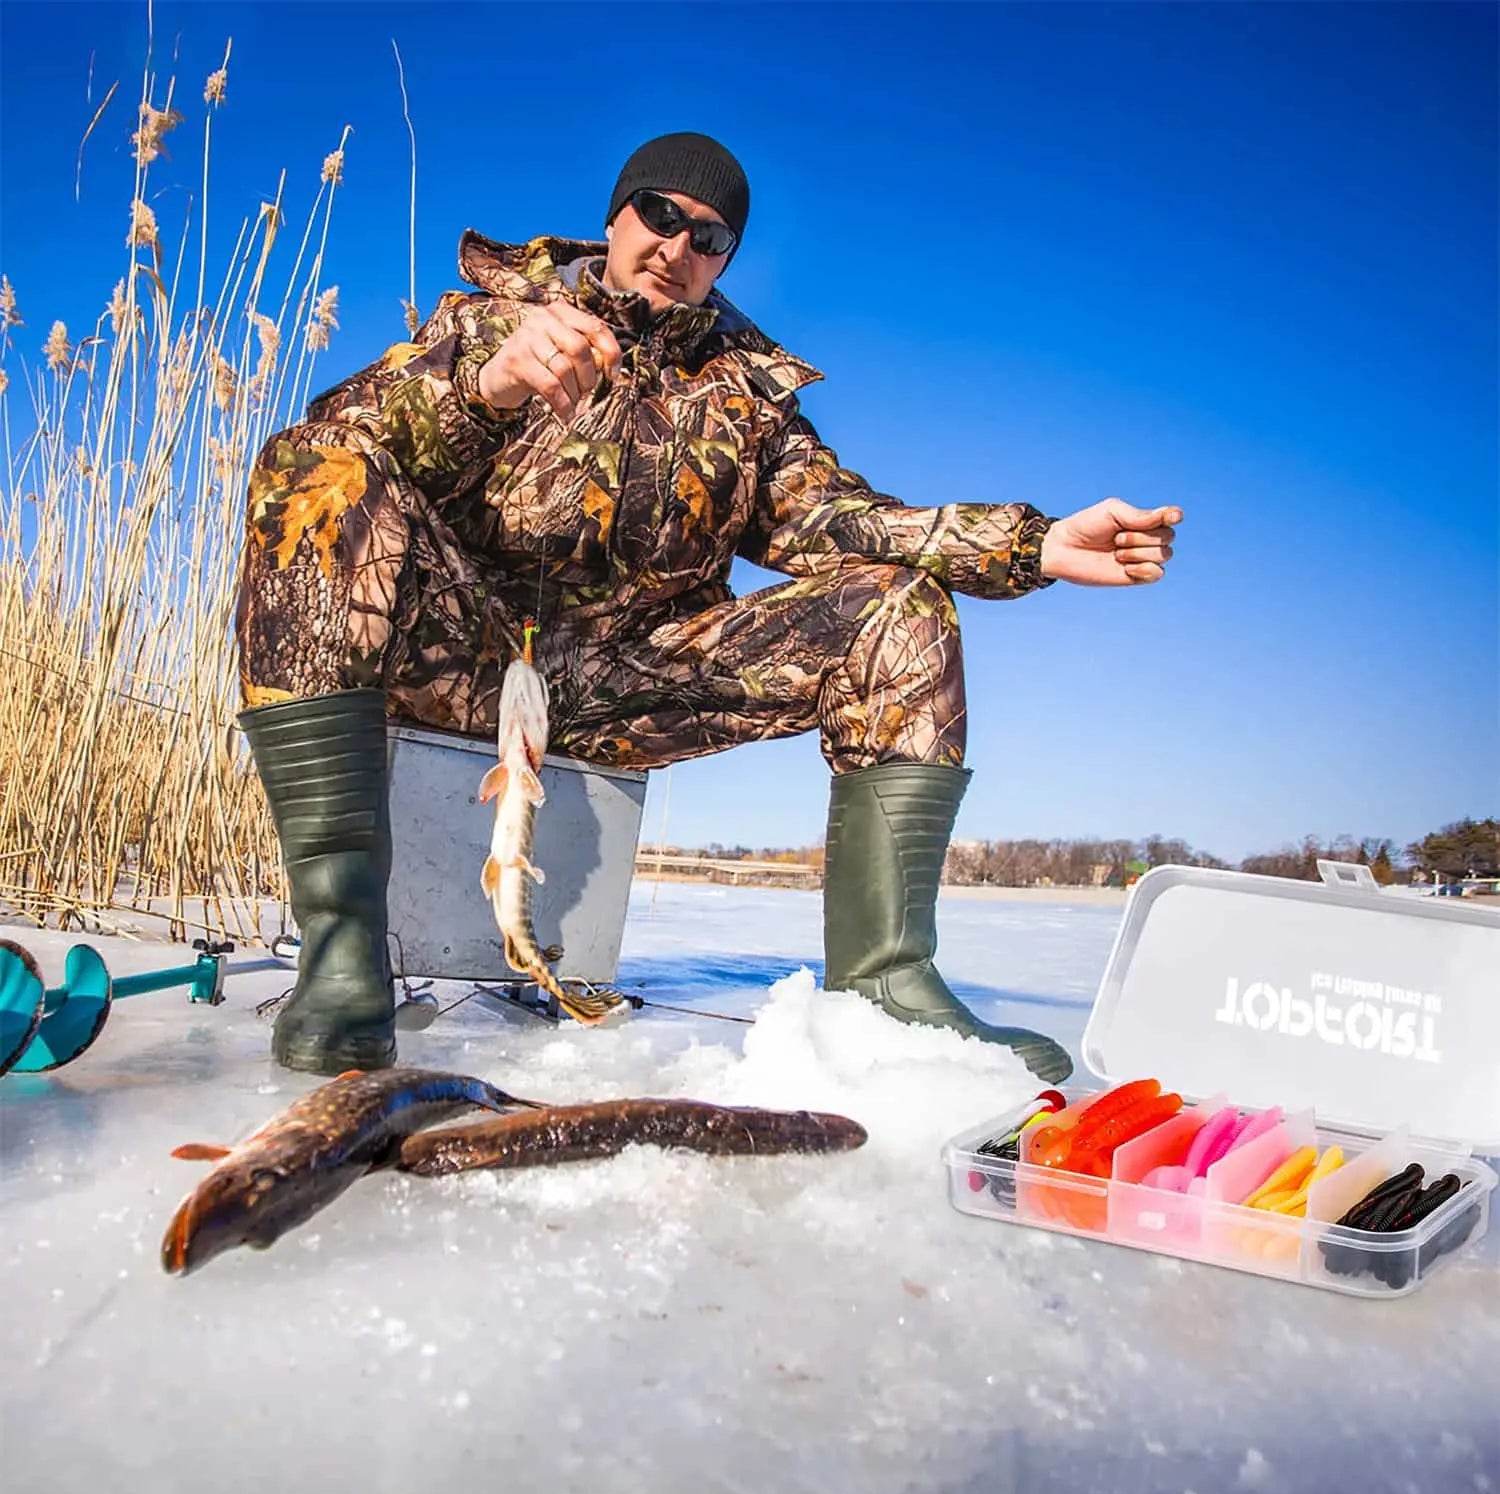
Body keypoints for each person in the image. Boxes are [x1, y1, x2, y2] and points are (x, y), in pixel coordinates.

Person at [235, 131, 1180, 1085]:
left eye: (711, 236)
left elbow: (841, 521)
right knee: (312, 473)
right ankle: (342, 952)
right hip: (458, 652)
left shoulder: (747, 396)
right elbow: (339, 438)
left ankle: (890, 988)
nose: (680, 247)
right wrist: (490, 385)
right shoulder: (490, 323)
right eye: (660, 215)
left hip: (628, 683)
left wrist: (1031, 544)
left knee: (899, 608)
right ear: (615, 216)